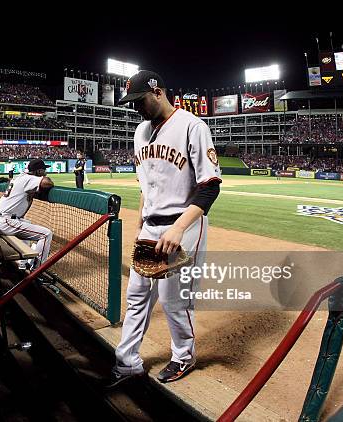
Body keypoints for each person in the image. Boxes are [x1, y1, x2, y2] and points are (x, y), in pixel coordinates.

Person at [109, 70, 221, 386]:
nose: (136, 108)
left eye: (139, 101)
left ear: (158, 92)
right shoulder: (140, 133)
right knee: (137, 296)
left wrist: (178, 229)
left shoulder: (192, 126)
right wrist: (140, 222)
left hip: (184, 225)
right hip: (151, 226)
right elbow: (146, 185)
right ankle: (126, 361)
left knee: (174, 300)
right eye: (131, 104)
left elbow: (210, 186)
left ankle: (183, 357)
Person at [0, 159, 54, 271]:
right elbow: (47, 183)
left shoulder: (20, 177)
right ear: (39, 171)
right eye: (44, 170)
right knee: (46, 234)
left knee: (26, 223)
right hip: (6, 222)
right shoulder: (29, 178)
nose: (45, 172)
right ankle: (37, 270)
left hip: (1, 219)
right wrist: (42, 178)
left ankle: (22, 264)